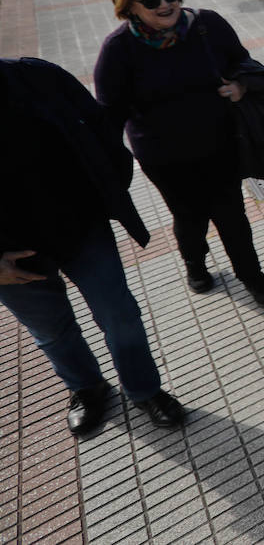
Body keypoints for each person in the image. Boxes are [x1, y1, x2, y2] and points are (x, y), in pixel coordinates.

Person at [0, 57, 187, 436]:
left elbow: (101, 130)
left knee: (121, 316)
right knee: (52, 331)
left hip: (81, 228)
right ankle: (87, 388)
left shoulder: (36, 76)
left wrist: (108, 191)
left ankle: (144, 389)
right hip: (8, 257)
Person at [93, 0, 264, 306]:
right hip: (165, 158)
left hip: (220, 143)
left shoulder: (207, 25)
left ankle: (251, 276)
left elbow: (241, 61)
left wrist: (240, 85)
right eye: (151, 1)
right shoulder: (118, 51)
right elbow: (109, 118)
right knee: (188, 216)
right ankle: (195, 264)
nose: (166, 4)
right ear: (127, 7)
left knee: (232, 214)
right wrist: (105, 172)